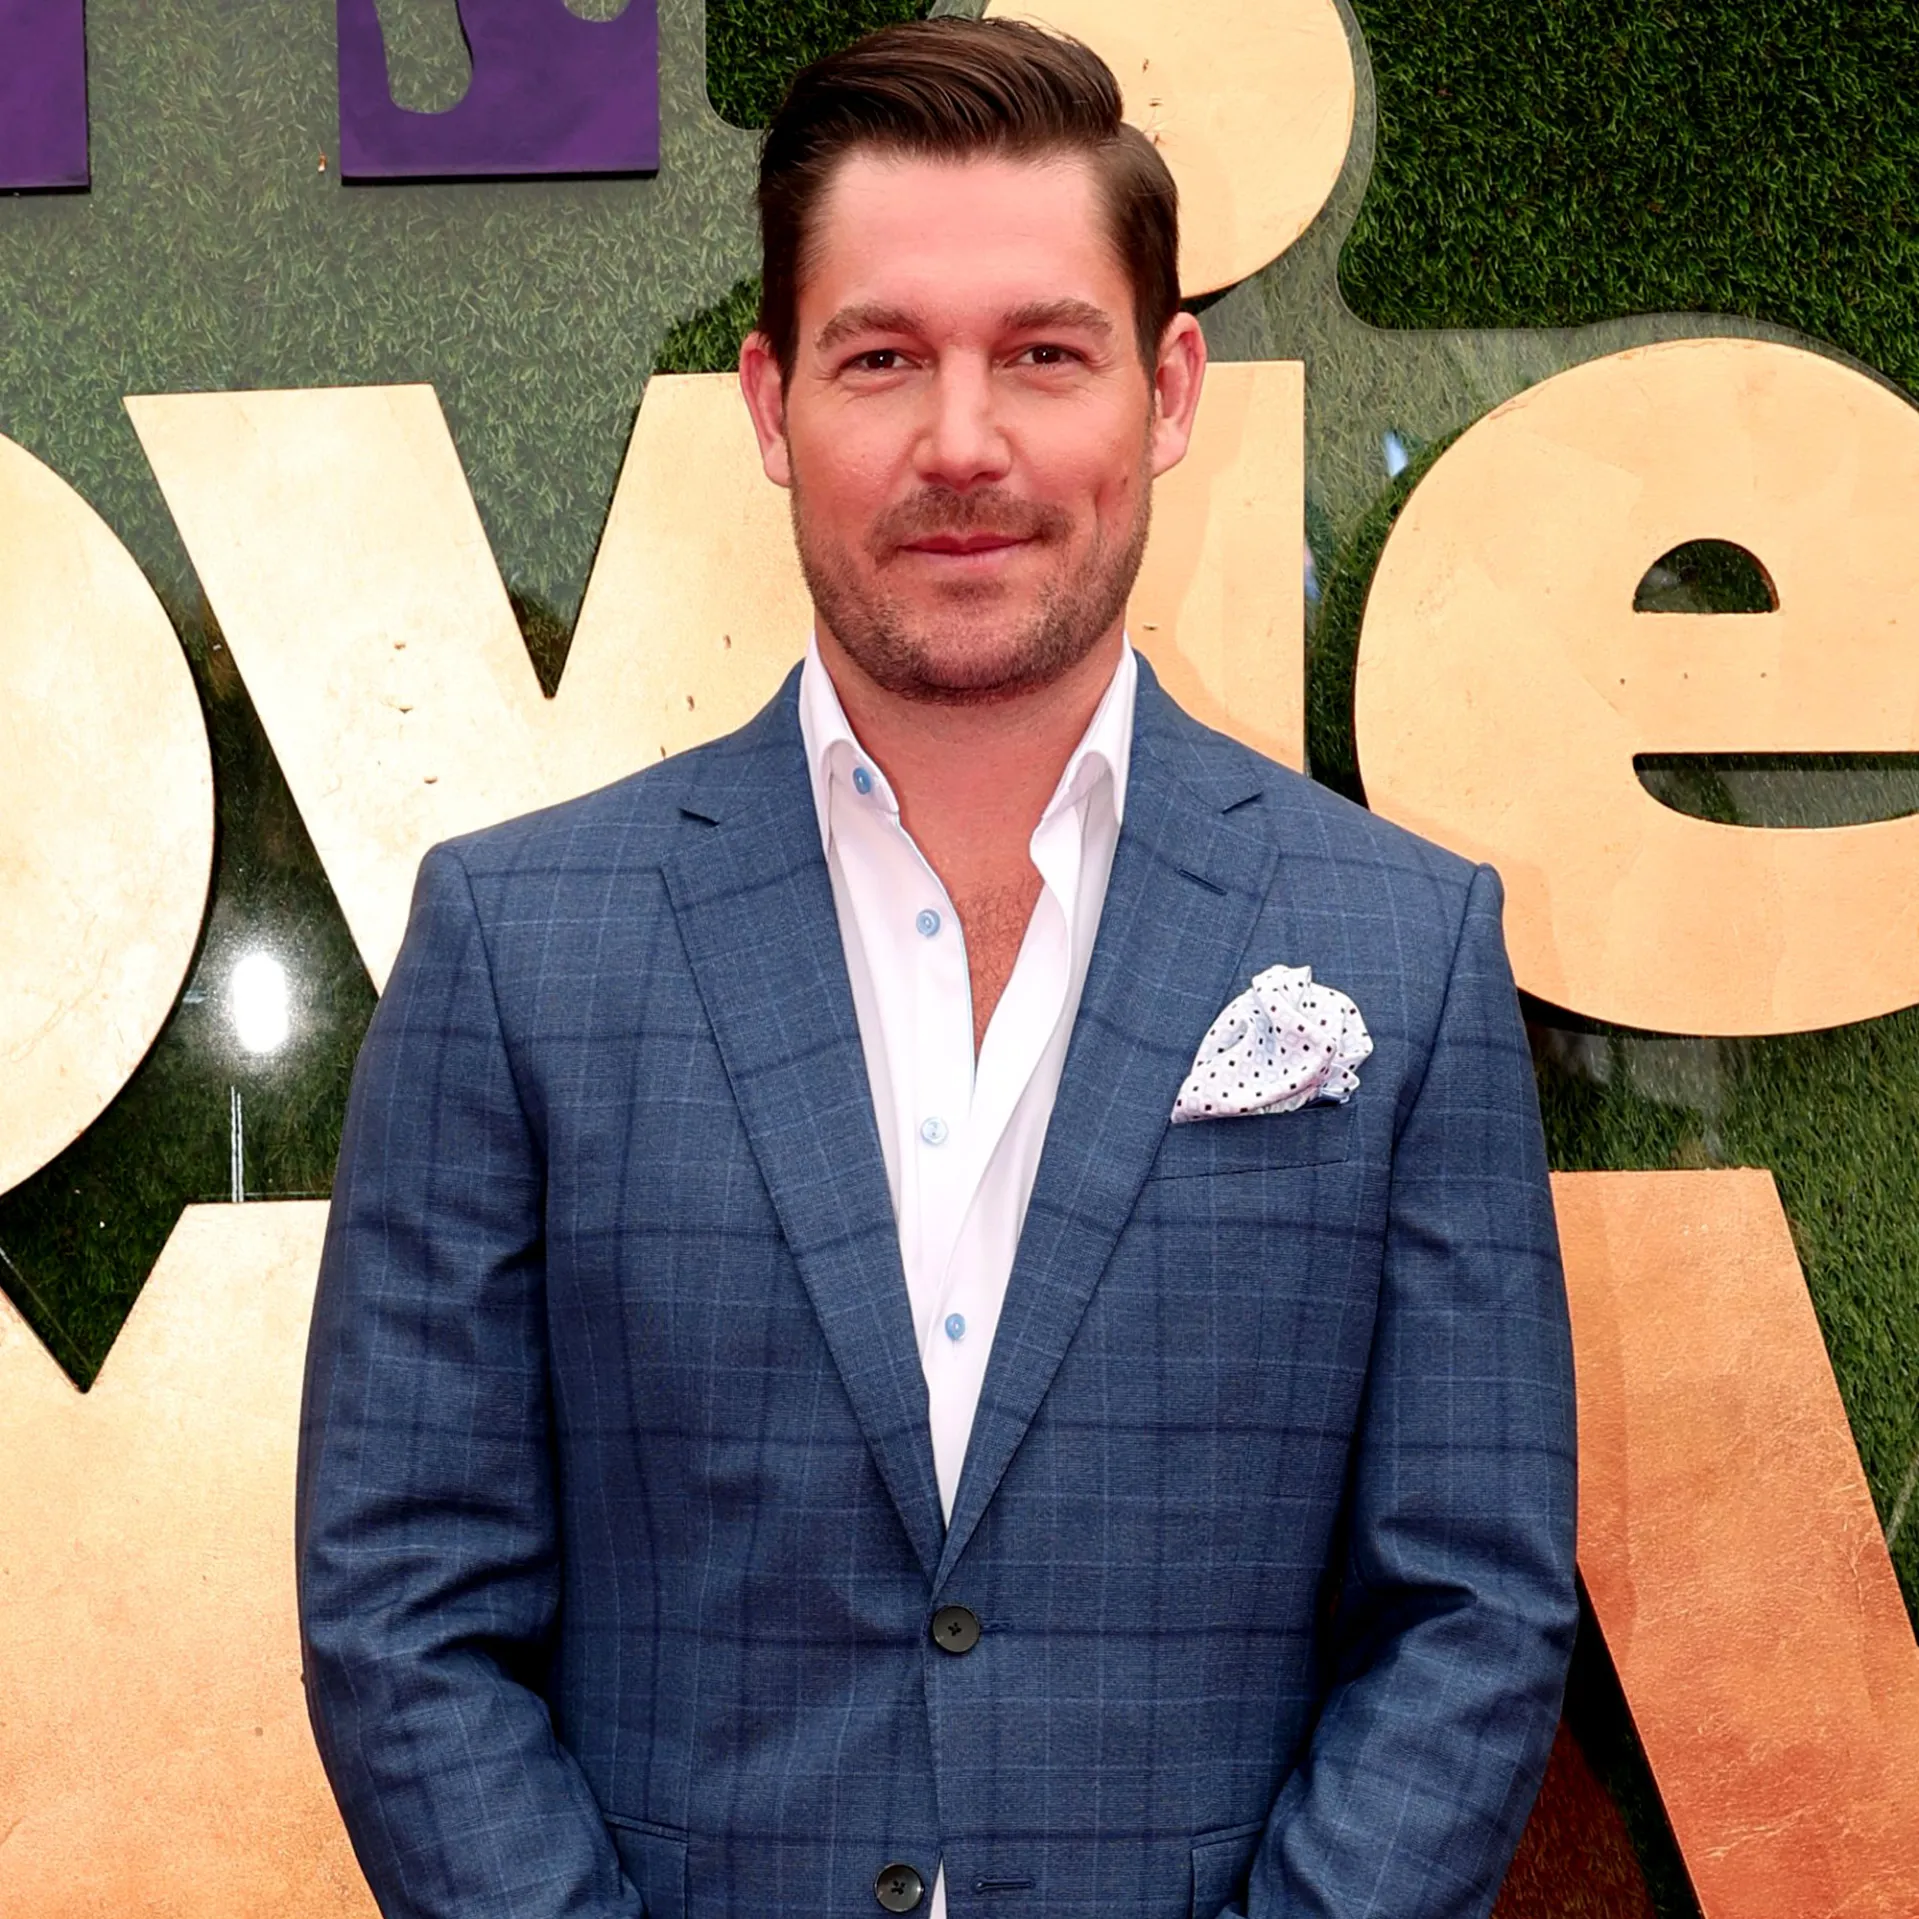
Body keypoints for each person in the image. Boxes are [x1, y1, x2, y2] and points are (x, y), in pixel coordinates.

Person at [296, 19, 1578, 1919]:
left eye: (1043, 354)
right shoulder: (517, 942)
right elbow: (403, 1603)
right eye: (881, 356)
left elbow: (1472, 1606)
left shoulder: (1407, 943)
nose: (962, 441)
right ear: (768, 404)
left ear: (1165, 390)